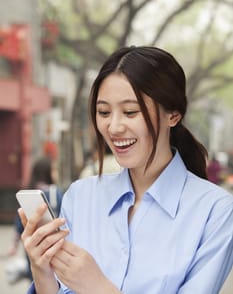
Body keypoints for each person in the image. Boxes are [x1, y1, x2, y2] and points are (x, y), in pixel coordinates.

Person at [19, 46, 233, 294]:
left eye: (131, 112)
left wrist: (97, 287)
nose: (114, 127)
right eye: (104, 112)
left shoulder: (215, 211)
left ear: (173, 115)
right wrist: (42, 270)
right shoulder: (80, 198)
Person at [8, 156, 63, 282]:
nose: (56, 173)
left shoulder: (28, 192)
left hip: (32, 244)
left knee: (34, 278)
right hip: (52, 244)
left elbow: (19, 223)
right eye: (54, 169)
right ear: (47, 171)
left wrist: (14, 245)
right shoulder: (55, 192)